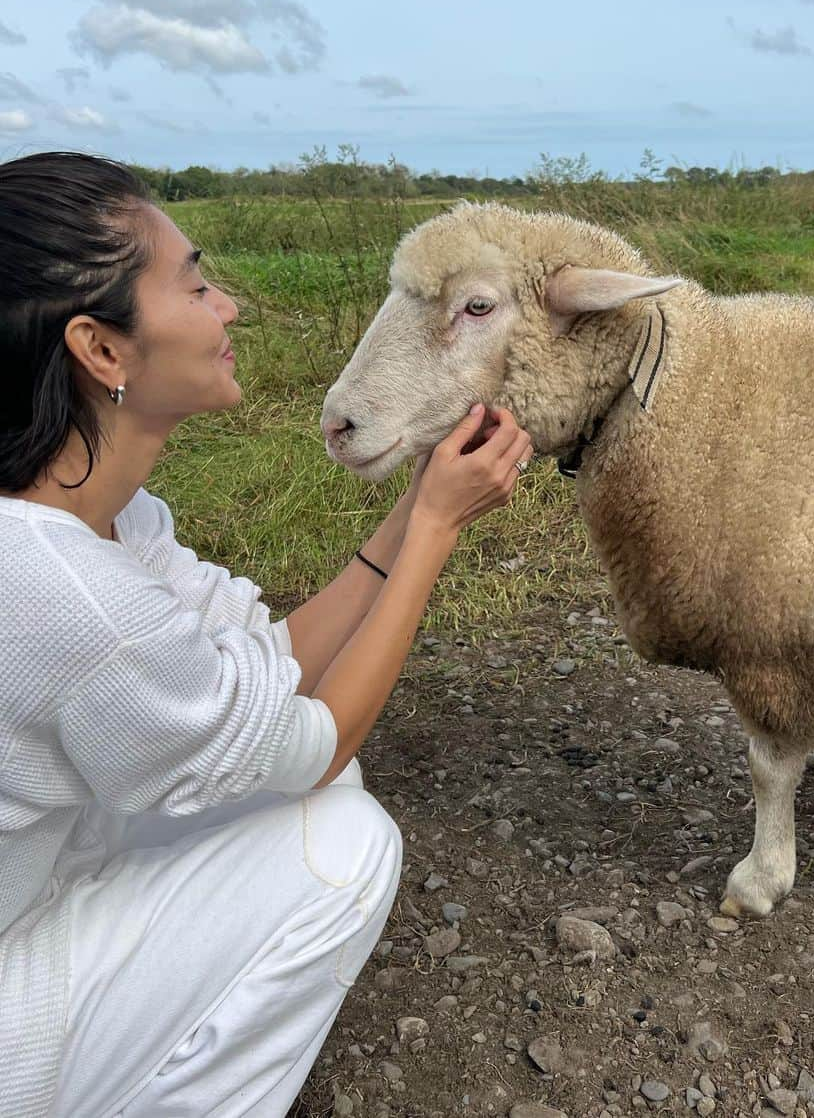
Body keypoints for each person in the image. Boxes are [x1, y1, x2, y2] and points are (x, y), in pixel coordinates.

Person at [0, 152, 532, 1118]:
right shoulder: (65, 597)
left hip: (36, 860)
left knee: (285, 782)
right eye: (196, 284)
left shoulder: (102, 518)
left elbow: (258, 671)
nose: (231, 306)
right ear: (102, 351)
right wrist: (436, 532)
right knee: (343, 841)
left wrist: (409, 511)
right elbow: (313, 746)